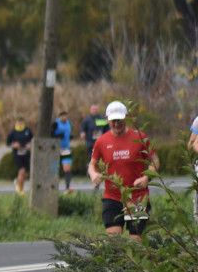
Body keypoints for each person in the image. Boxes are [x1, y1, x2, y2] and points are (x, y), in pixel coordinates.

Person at [88, 100, 159, 239]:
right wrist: (93, 174)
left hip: (137, 197)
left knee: (136, 241)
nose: (117, 123)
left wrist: (146, 177)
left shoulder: (140, 137)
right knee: (115, 242)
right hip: (112, 196)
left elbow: (155, 161)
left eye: (120, 120)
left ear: (126, 117)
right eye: (113, 120)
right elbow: (92, 164)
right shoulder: (101, 141)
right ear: (107, 119)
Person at [6, 117, 33, 195]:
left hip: (26, 154)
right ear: (16, 122)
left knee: (25, 174)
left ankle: (17, 182)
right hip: (17, 155)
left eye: (21, 121)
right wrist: (14, 145)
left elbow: (33, 140)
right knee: (22, 171)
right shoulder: (13, 132)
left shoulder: (27, 131)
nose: (20, 123)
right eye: (18, 121)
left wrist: (29, 145)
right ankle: (20, 190)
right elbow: (8, 143)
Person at [52, 110, 73, 193]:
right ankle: (53, 187)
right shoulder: (55, 124)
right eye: (62, 116)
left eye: (65, 116)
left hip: (66, 148)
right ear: (59, 117)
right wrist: (58, 136)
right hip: (56, 149)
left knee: (67, 168)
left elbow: (68, 134)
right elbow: (50, 134)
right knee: (54, 169)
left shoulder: (69, 123)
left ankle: (67, 187)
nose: (64, 117)